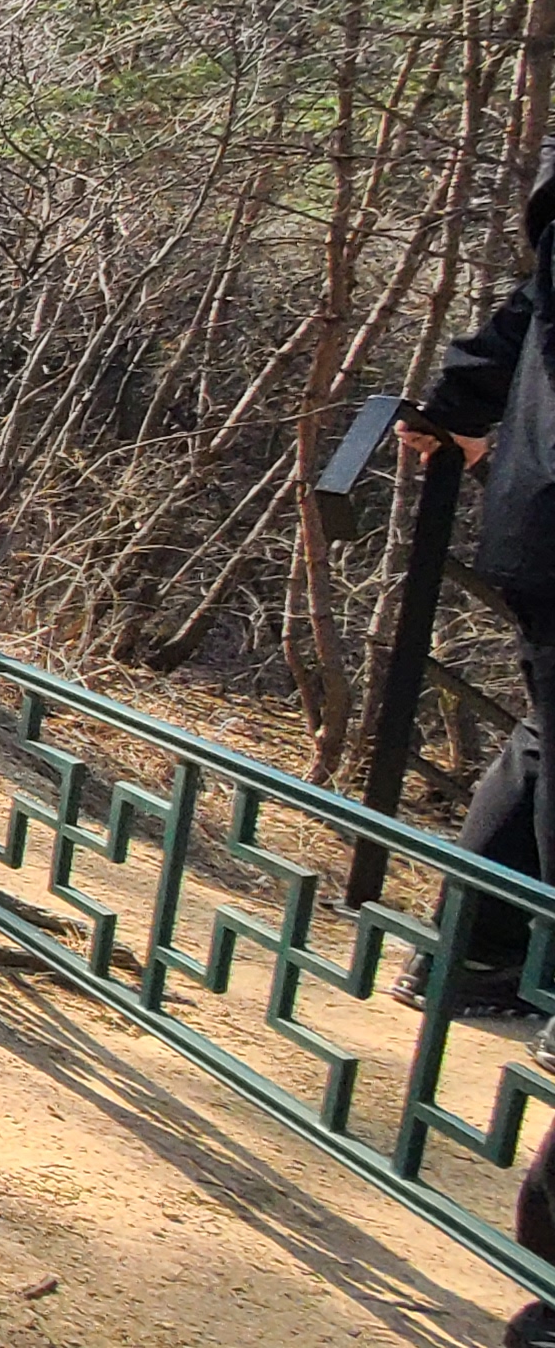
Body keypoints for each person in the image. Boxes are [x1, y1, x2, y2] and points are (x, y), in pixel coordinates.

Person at [401, 159, 555, 1348]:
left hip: (538, 515)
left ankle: (477, 950)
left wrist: (454, 403)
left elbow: (522, 310)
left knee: (547, 734)